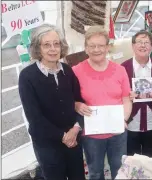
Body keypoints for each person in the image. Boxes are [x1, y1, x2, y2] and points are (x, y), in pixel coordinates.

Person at [18, 24, 85, 180]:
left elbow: (79, 102)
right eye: (46, 45)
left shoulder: (68, 71)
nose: (53, 49)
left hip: (73, 139)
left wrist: (75, 130)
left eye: (56, 44)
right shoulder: (27, 76)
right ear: (37, 48)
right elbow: (34, 118)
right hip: (47, 145)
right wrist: (63, 136)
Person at [72, 26, 132, 180]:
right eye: (92, 46)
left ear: (107, 48)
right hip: (91, 134)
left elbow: (126, 98)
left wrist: (123, 118)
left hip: (117, 132)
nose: (96, 49)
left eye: (101, 45)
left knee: (119, 171)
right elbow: (68, 99)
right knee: (95, 172)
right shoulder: (76, 71)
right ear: (86, 48)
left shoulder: (119, 70)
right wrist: (76, 105)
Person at [121, 30, 152, 157]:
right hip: (131, 122)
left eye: (146, 42)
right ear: (133, 46)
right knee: (131, 157)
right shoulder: (123, 67)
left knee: (149, 156)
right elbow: (117, 93)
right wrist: (127, 95)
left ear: (151, 46)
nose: (143, 45)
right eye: (139, 42)